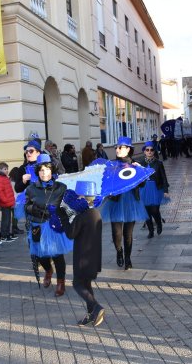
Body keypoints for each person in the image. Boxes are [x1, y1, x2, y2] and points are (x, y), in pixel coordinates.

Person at [25, 154, 72, 297]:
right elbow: (26, 206)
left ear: (52, 170)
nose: (44, 173)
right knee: (41, 256)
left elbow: (68, 206)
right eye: (41, 170)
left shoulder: (61, 187)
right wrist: (36, 210)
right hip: (37, 225)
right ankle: (48, 271)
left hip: (54, 226)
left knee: (57, 256)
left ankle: (60, 282)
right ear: (37, 172)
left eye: (47, 169)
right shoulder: (31, 189)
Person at [59, 181, 105, 327]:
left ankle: (96, 306)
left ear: (82, 197)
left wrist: (64, 217)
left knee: (77, 283)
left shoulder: (83, 216)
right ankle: (91, 315)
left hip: (83, 257)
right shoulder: (96, 213)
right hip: (94, 257)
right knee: (86, 284)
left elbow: (71, 234)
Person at [101, 136, 149, 269]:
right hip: (116, 201)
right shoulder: (111, 165)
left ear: (128, 149)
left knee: (128, 234)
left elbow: (143, 184)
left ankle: (128, 258)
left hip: (131, 201)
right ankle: (119, 251)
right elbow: (105, 182)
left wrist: (140, 170)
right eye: (116, 147)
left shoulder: (135, 163)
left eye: (120, 147)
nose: (117, 149)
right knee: (116, 233)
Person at [137, 141, 169, 238]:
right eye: (147, 150)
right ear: (144, 152)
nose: (149, 151)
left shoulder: (158, 163)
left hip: (155, 189)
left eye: (151, 150)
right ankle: (151, 231)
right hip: (144, 189)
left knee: (154, 210)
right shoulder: (140, 163)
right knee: (146, 211)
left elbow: (163, 177)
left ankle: (159, 224)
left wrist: (166, 190)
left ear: (154, 151)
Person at [0, 162, 18, 242]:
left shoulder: (5, 177)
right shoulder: (0, 178)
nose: (7, 170)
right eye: (5, 169)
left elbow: (9, 191)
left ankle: (7, 234)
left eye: (7, 169)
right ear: (0, 169)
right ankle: (4, 236)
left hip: (8, 202)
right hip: (5, 203)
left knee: (8, 219)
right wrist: (5, 200)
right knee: (5, 220)